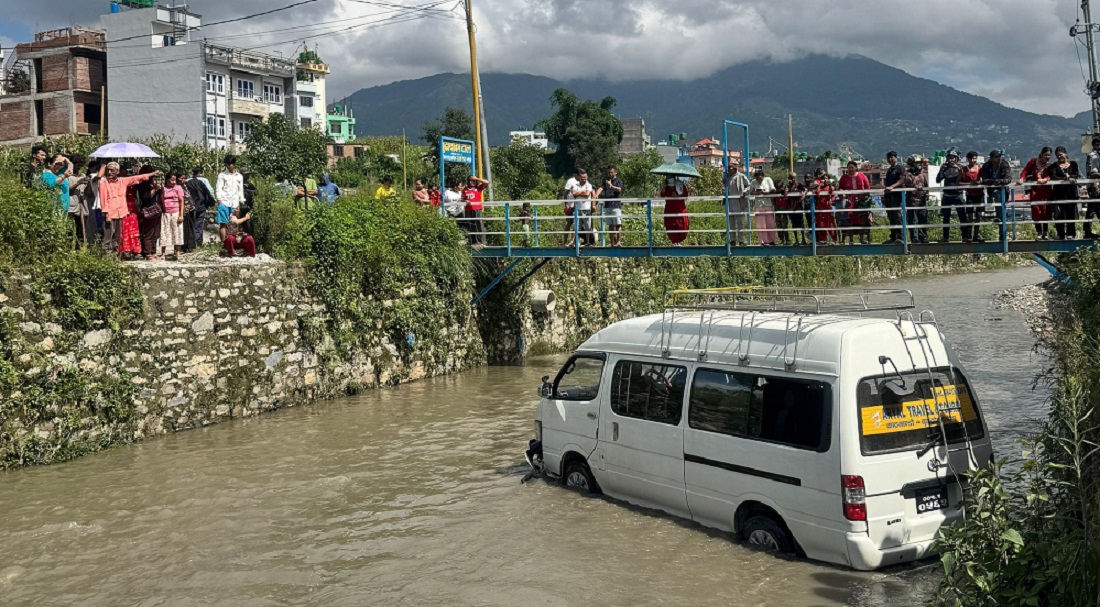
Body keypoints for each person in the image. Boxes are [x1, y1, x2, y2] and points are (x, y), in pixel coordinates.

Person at [99, 161, 158, 254]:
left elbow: (136, 177)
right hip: (110, 213)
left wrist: (152, 174)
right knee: (108, 237)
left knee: (117, 237)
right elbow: (103, 199)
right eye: (108, 170)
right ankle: (106, 258)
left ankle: (115, 256)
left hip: (120, 213)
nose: (109, 172)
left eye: (112, 170)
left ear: (117, 171)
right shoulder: (103, 182)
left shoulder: (122, 181)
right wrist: (106, 214)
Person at [1018, 147, 1053, 240]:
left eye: (1049, 155)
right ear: (1041, 154)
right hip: (1035, 191)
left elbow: (1052, 175)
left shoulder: (1050, 166)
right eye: (1046, 155)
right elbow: (1025, 171)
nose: (1047, 157)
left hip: (1046, 191)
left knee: (1045, 211)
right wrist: (1021, 178)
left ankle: (1045, 233)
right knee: (1036, 211)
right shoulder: (1033, 162)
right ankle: (1039, 232)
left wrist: (1045, 179)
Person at [1047, 146, 1080, 240]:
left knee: (1070, 213)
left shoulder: (1073, 164)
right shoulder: (1054, 166)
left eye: (1060, 154)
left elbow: (1076, 174)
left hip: (1070, 193)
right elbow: (1053, 177)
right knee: (1058, 215)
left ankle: (1071, 233)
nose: (1059, 157)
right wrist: (1065, 178)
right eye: (1057, 155)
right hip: (1058, 194)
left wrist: (1070, 177)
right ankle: (1060, 234)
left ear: (1065, 154)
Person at [936, 149, 969, 242]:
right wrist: (941, 170)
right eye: (949, 158)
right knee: (946, 217)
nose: (951, 160)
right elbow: (938, 180)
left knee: (962, 216)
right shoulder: (944, 167)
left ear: (956, 158)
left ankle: (965, 236)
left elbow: (965, 178)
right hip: (947, 195)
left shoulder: (961, 167)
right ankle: (945, 237)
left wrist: (958, 169)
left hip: (958, 194)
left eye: (952, 158)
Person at [980, 149, 1013, 240]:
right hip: (990, 190)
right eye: (996, 157)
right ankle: (1001, 232)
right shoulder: (986, 166)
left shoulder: (1004, 164)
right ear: (991, 158)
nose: (999, 158)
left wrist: (999, 182)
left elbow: (1008, 178)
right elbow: (984, 179)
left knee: (1000, 202)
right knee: (999, 206)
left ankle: (1002, 233)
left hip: (1002, 190)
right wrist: (994, 182)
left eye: (999, 156)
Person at [839, 161, 872, 245]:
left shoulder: (862, 176)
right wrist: (844, 194)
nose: (850, 169)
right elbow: (840, 189)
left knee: (861, 220)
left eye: (852, 167)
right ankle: (851, 240)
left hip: (861, 202)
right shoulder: (844, 178)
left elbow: (867, 188)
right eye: (849, 168)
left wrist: (864, 198)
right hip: (849, 202)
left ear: (856, 168)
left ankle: (862, 239)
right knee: (850, 220)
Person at [136, 168, 164, 260]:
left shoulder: (152, 184)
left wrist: (159, 188)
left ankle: (153, 251)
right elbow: (145, 198)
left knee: (156, 233)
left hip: (157, 210)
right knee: (148, 232)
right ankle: (147, 252)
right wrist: (154, 189)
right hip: (148, 210)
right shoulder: (142, 185)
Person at [216, 155, 245, 242]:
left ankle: (233, 244)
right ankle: (223, 244)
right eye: (227, 164)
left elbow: (240, 190)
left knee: (234, 224)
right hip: (224, 202)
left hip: (235, 203)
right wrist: (219, 200)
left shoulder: (239, 176)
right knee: (223, 224)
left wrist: (240, 202)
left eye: (231, 164)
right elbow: (218, 188)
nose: (229, 166)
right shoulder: (222, 175)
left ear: (234, 164)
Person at [157, 173, 186, 259]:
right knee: (164, 232)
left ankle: (177, 252)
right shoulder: (163, 189)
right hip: (165, 213)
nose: (173, 182)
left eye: (174, 180)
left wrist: (181, 215)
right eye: (171, 180)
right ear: (167, 180)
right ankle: (163, 253)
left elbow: (181, 201)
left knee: (177, 232)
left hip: (175, 212)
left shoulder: (178, 188)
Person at [185, 167, 215, 248]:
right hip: (201, 205)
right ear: (200, 173)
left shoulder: (187, 180)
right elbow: (210, 191)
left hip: (190, 206)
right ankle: (198, 242)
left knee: (191, 223)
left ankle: (190, 242)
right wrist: (212, 202)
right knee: (199, 223)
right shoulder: (204, 180)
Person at [959, 151, 986, 242]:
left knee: (978, 215)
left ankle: (976, 235)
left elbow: (985, 180)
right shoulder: (963, 169)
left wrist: (979, 182)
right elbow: (958, 182)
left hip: (979, 194)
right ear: (968, 159)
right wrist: (969, 184)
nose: (973, 160)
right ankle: (969, 235)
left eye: (974, 158)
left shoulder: (980, 168)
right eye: (971, 158)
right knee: (970, 216)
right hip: (969, 195)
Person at [596, 167, 624, 247]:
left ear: (615, 172)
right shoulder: (606, 181)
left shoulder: (618, 181)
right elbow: (601, 188)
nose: (610, 174)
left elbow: (619, 190)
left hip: (615, 206)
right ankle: (612, 243)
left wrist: (611, 185)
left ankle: (618, 242)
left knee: (618, 224)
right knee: (610, 225)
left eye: (611, 172)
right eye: (609, 172)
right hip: (608, 205)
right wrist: (595, 195)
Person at [882, 151, 906, 243]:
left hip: (897, 196)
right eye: (888, 158)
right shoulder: (889, 170)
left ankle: (900, 237)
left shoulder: (900, 168)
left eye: (892, 157)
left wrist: (893, 187)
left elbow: (902, 180)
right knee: (891, 217)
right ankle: (893, 237)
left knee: (897, 216)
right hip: (889, 197)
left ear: (896, 158)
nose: (890, 159)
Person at [724, 163, 751, 245]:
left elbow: (749, 186)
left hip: (739, 202)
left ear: (735, 169)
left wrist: (744, 192)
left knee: (739, 222)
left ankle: (741, 240)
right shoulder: (727, 178)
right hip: (729, 202)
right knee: (730, 222)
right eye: (728, 169)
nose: (729, 171)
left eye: (730, 169)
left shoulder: (741, 176)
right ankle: (732, 240)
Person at [660, 175, 690, 246]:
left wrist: (678, 196)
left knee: (682, 226)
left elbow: (686, 195)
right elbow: (662, 195)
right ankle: (674, 242)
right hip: (670, 210)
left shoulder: (680, 185)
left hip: (680, 209)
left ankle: (679, 241)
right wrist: (664, 189)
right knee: (670, 226)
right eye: (667, 177)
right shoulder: (666, 187)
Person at [750, 168, 777, 245]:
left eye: (759, 178)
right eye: (757, 178)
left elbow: (773, 189)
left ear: (762, 176)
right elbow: (750, 191)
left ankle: (771, 240)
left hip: (768, 203)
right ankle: (763, 241)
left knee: (770, 224)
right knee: (760, 225)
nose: (758, 180)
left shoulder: (768, 180)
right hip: (758, 205)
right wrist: (755, 192)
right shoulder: (753, 182)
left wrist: (766, 192)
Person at [777, 172, 806, 245]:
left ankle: (803, 239)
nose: (793, 179)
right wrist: (787, 186)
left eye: (794, 178)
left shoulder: (798, 185)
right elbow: (784, 193)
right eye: (791, 178)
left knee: (801, 223)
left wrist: (803, 194)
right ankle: (796, 240)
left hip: (798, 207)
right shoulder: (788, 186)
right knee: (794, 224)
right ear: (789, 178)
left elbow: (805, 189)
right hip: (791, 207)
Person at [570, 170, 598, 246]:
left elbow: (587, 194)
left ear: (587, 177)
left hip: (586, 209)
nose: (584, 179)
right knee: (576, 226)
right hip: (577, 208)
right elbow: (574, 193)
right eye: (582, 177)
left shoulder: (589, 185)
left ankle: (588, 242)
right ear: (579, 177)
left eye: (585, 177)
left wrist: (579, 193)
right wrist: (583, 192)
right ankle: (574, 242)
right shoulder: (575, 185)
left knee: (587, 226)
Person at [462, 175, 489, 246]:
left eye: (473, 181)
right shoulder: (465, 189)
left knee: (479, 225)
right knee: (470, 226)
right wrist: (465, 200)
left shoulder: (478, 188)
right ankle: (472, 241)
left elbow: (487, 182)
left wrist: (477, 178)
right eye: (470, 180)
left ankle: (482, 242)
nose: (472, 182)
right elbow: (462, 199)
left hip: (477, 209)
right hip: (468, 210)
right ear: (468, 181)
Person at [813, 170, 837, 243]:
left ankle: (834, 239)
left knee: (831, 224)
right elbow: (817, 193)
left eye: (826, 178)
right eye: (823, 179)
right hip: (820, 207)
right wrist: (820, 184)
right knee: (821, 225)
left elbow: (831, 192)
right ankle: (823, 240)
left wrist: (828, 184)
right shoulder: (819, 187)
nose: (825, 180)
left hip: (828, 208)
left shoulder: (831, 187)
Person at [1085, 138, 1100, 238]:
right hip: (1095, 186)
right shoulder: (1093, 156)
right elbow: (1092, 173)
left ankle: (1088, 231)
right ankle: (1087, 231)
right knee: (1092, 209)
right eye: (1097, 145)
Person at [562, 169, 580, 247]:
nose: (579, 176)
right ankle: (565, 241)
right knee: (569, 223)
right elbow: (566, 192)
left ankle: (573, 242)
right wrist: (566, 203)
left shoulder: (581, 181)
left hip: (578, 205)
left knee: (576, 224)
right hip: (570, 205)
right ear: (575, 174)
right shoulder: (571, 181)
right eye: (578, 175)